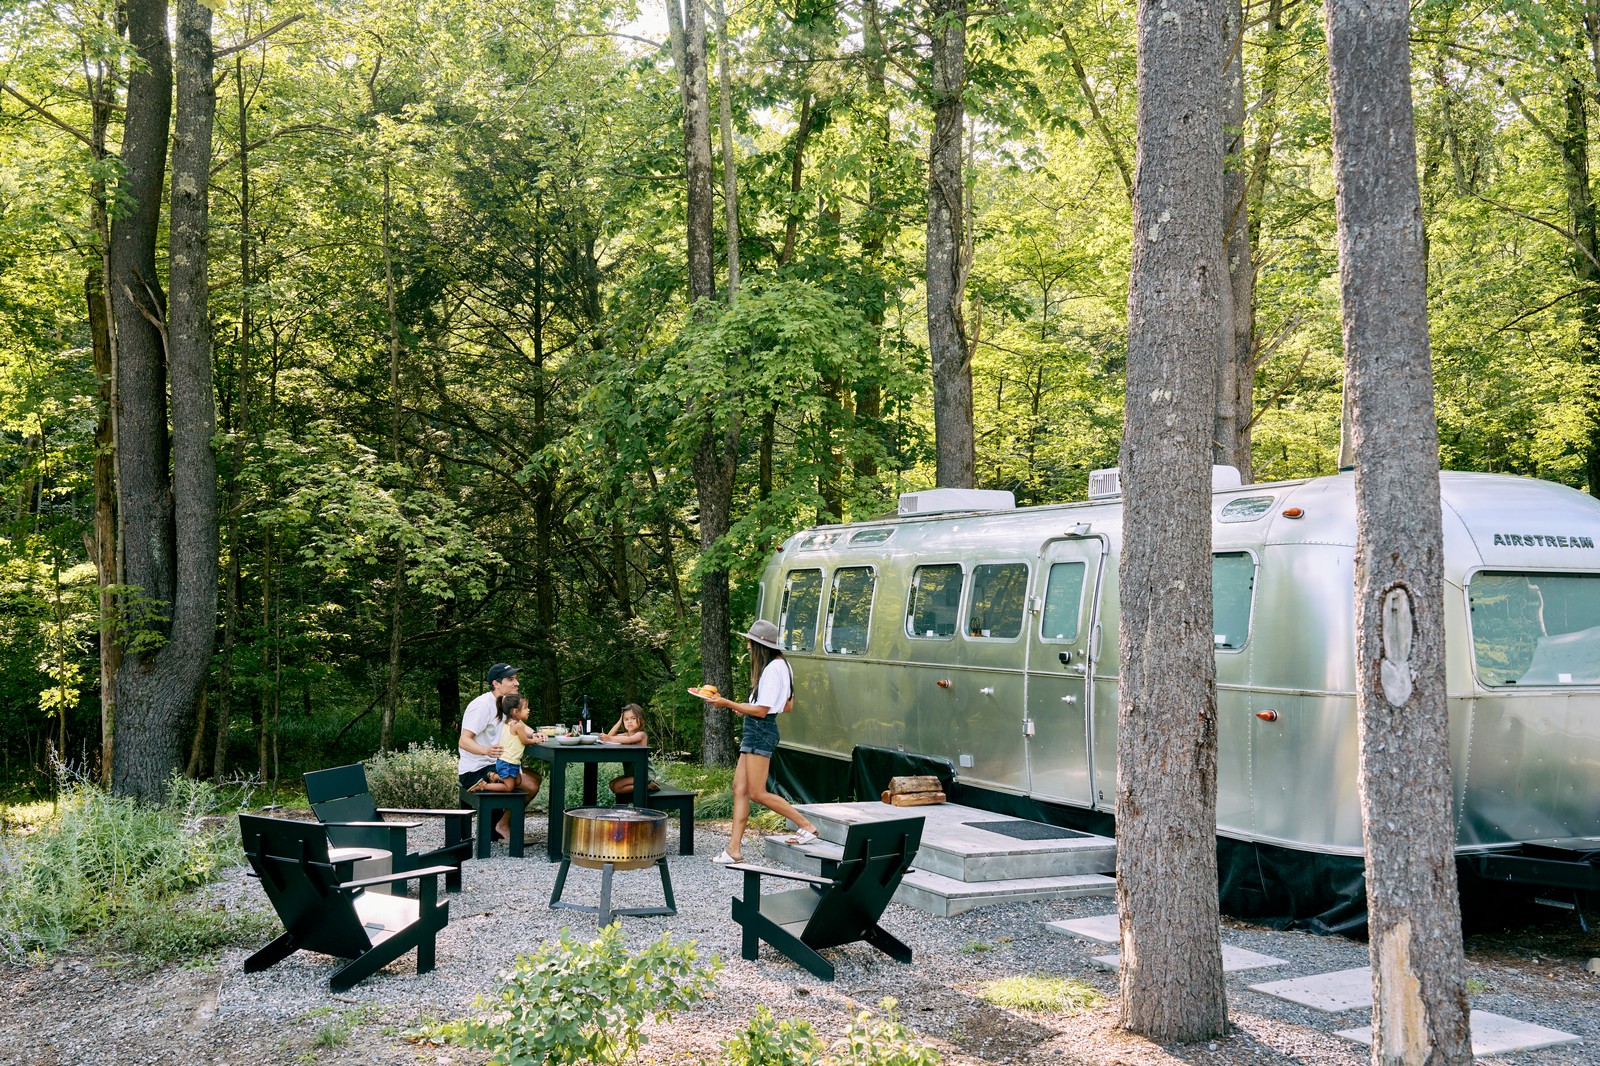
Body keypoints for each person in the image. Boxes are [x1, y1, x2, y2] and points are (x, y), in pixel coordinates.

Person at [701, 619, 819, 864]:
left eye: (750, 642)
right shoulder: (782, 666)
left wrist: (727, 704)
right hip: (757, 728)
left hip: (760, 730)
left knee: (756, 792)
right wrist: (747, 709)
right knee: (739, 788)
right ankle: (733, 850)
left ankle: (806, 825)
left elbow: (764, 710)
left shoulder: (773, 669)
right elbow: (787, 705)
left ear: (760, 645)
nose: (747, 647)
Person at [458, 662, 518, 840]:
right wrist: (486, 750)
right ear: (496, 683)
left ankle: (499, 826)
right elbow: (463, 740)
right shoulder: (482, 705)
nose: (517, 683)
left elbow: (518, 726)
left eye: (516, 678)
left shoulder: (506, 703)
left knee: (534, 780)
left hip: (495, 764)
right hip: (475, 770)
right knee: (528, 783)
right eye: (511, 679)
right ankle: (502, 826)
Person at [469, 692, 544, 798]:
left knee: (517, 781)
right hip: (508, 763)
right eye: (526, 708)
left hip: (510, 761)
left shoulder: (508, 722)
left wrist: (533, 736)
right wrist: (535, 740)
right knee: (509, 787)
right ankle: (484, 785)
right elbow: (525, 741)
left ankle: (495, 777)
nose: (528, 710)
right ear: (515, 711)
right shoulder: (518, 726)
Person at [605, 704, 655, 798]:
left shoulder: (641, 735)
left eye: (633, 718)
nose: (629, 722)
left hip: (644, 774)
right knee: (612, 784)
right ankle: (644, 786)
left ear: (641, 720)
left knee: (617, 787)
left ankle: (648, 786)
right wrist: (620, 721)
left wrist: (609, 739)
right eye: (626, 719)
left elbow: (629, 740)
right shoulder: (626, 735)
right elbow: (610, 736)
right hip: (632, 774)